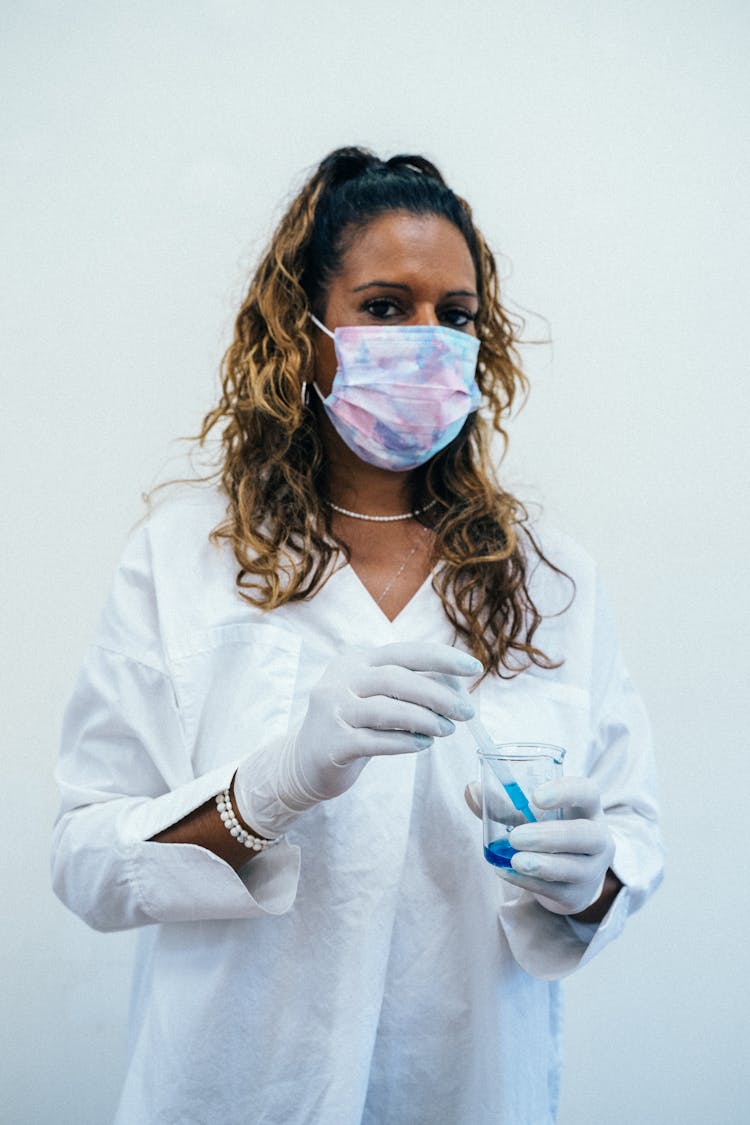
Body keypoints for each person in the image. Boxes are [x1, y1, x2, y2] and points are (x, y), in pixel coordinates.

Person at [51, 146, 662, 1125]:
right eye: (385, 307)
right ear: (307, 333)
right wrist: (272, 786)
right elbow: (84, 861)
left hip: (468, 1095)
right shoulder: (184, 562)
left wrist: (591, 881)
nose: (429, 341)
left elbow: (631, 843)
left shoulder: (552, 579)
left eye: (454, 317)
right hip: (234, 1094)